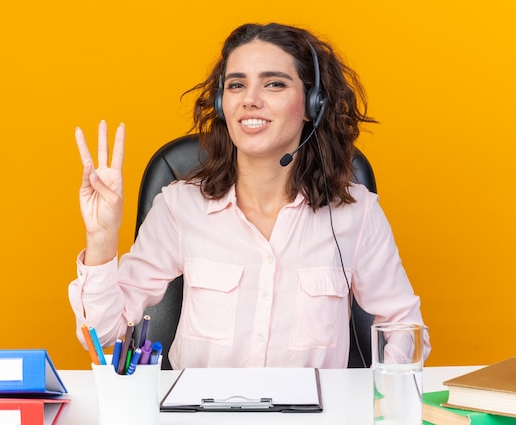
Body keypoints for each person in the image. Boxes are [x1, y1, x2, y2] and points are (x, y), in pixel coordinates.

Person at [69, 22, 431, 369]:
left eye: (274, 84)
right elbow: (103, 340)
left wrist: (383, 393)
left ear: (313, 104)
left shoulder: (358, 212)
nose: (250, 100)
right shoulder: (180, 206)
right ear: (221, 101)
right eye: (237, 85)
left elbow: (404, 327)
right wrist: (100, 240)